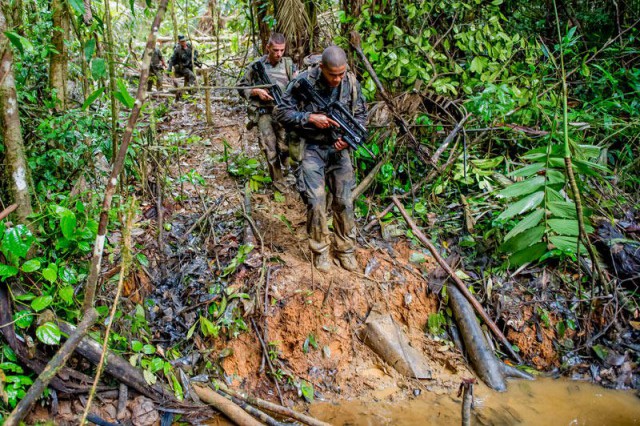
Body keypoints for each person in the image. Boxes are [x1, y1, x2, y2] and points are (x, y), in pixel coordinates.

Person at [274, 46, 367, 272]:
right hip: (311, 147)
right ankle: (321, 251)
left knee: (344, 201)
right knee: (315, 202)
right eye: (332, 74)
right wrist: (309, 118)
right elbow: (280, 112)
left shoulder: (351, 83)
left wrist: (347, 139)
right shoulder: (303, 82)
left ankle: (345, 249)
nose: (337, 79)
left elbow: (361, 116)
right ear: (321, 67)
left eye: (341, 74)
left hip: (338, 149)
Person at [238, 33, 296, 190]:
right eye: (275, 50)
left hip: (284, 112)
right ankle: (278, 183)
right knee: (270, 148)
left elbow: (296, 86)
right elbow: (241, 86)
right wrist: (255, 91)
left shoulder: (288, 65)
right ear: (268, 47)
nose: (278, 54)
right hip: (265, 112)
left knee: (285, 147)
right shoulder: (256, 66)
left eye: (282, 50)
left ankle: (289, 174)